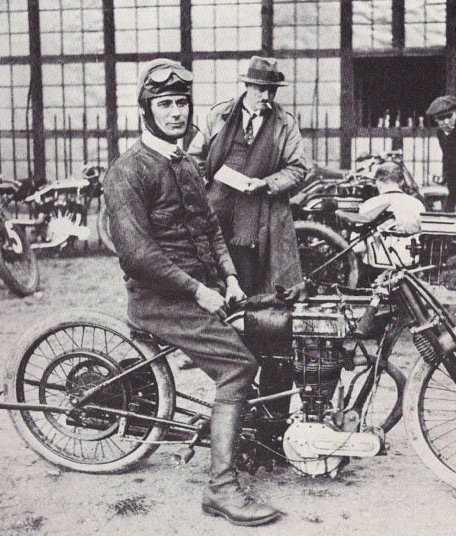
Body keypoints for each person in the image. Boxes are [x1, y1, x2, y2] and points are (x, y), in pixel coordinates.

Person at [103, 58, 280, 527]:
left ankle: (254, 442)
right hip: (159, 300)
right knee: (238, 367)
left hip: (202, 292)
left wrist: (233, 278)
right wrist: (201, 291)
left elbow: (211, 231)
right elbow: (138, 254)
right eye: (166, 104)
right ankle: (220, 489)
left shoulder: (184, 163)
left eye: (182, 103)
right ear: (147, 110)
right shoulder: (127, 171)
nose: (177, 112)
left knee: (274, 330)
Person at [189, 55, 307, 297]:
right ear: (248, 86)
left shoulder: (285, 124)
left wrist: (265, 183)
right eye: (261, 90)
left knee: (255, 282)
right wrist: (205, 184)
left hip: (260, 216)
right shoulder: (219, 116)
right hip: (217, 212)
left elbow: (297, 169)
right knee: (214, 276)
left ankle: (253, 326)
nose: (266, 97)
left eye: (271, 91)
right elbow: (194, 158)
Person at [356, 162, 426, 267]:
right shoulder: (417, 204)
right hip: (410, 266)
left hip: (375, 269)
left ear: (378, 182)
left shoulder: (369, 205)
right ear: (401, 182)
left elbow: (358, 247)